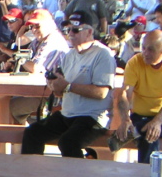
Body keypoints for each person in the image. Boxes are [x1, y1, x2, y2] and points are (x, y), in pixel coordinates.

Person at [22, 10, 116, 158]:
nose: (70, 33)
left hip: (92, 117)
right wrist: (54, 85)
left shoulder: (102, 54)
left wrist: (67, 86)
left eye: (76, 30)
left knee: (68, 142)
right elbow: (61, 91)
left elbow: (101, 92)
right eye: (68, 29)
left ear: (89, 31)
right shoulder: (69, 55)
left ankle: (76, 173)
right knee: (32, 132)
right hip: (68, 114)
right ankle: (33, 171)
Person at [113, 30, 162, 164]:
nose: (145, 53)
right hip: (141, 117)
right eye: (143, 48)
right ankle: (148, 169)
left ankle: (137, 132)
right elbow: (125, 93)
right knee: (149, 134)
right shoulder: (135, 62)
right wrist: (125, 119)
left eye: (151, 49)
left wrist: (157, 121)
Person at [7, 9, 70, 123]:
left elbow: (34, 68)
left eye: (37, 26)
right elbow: (26, 58)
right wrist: (14, 62)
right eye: (31, 27)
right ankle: (23, 132)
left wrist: (20, 60)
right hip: (38, 90)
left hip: (53, 96)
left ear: (49, 25)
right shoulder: (38, 40)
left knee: (5, 108)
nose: (34, 30)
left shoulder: (53, 40)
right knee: (5, 102)